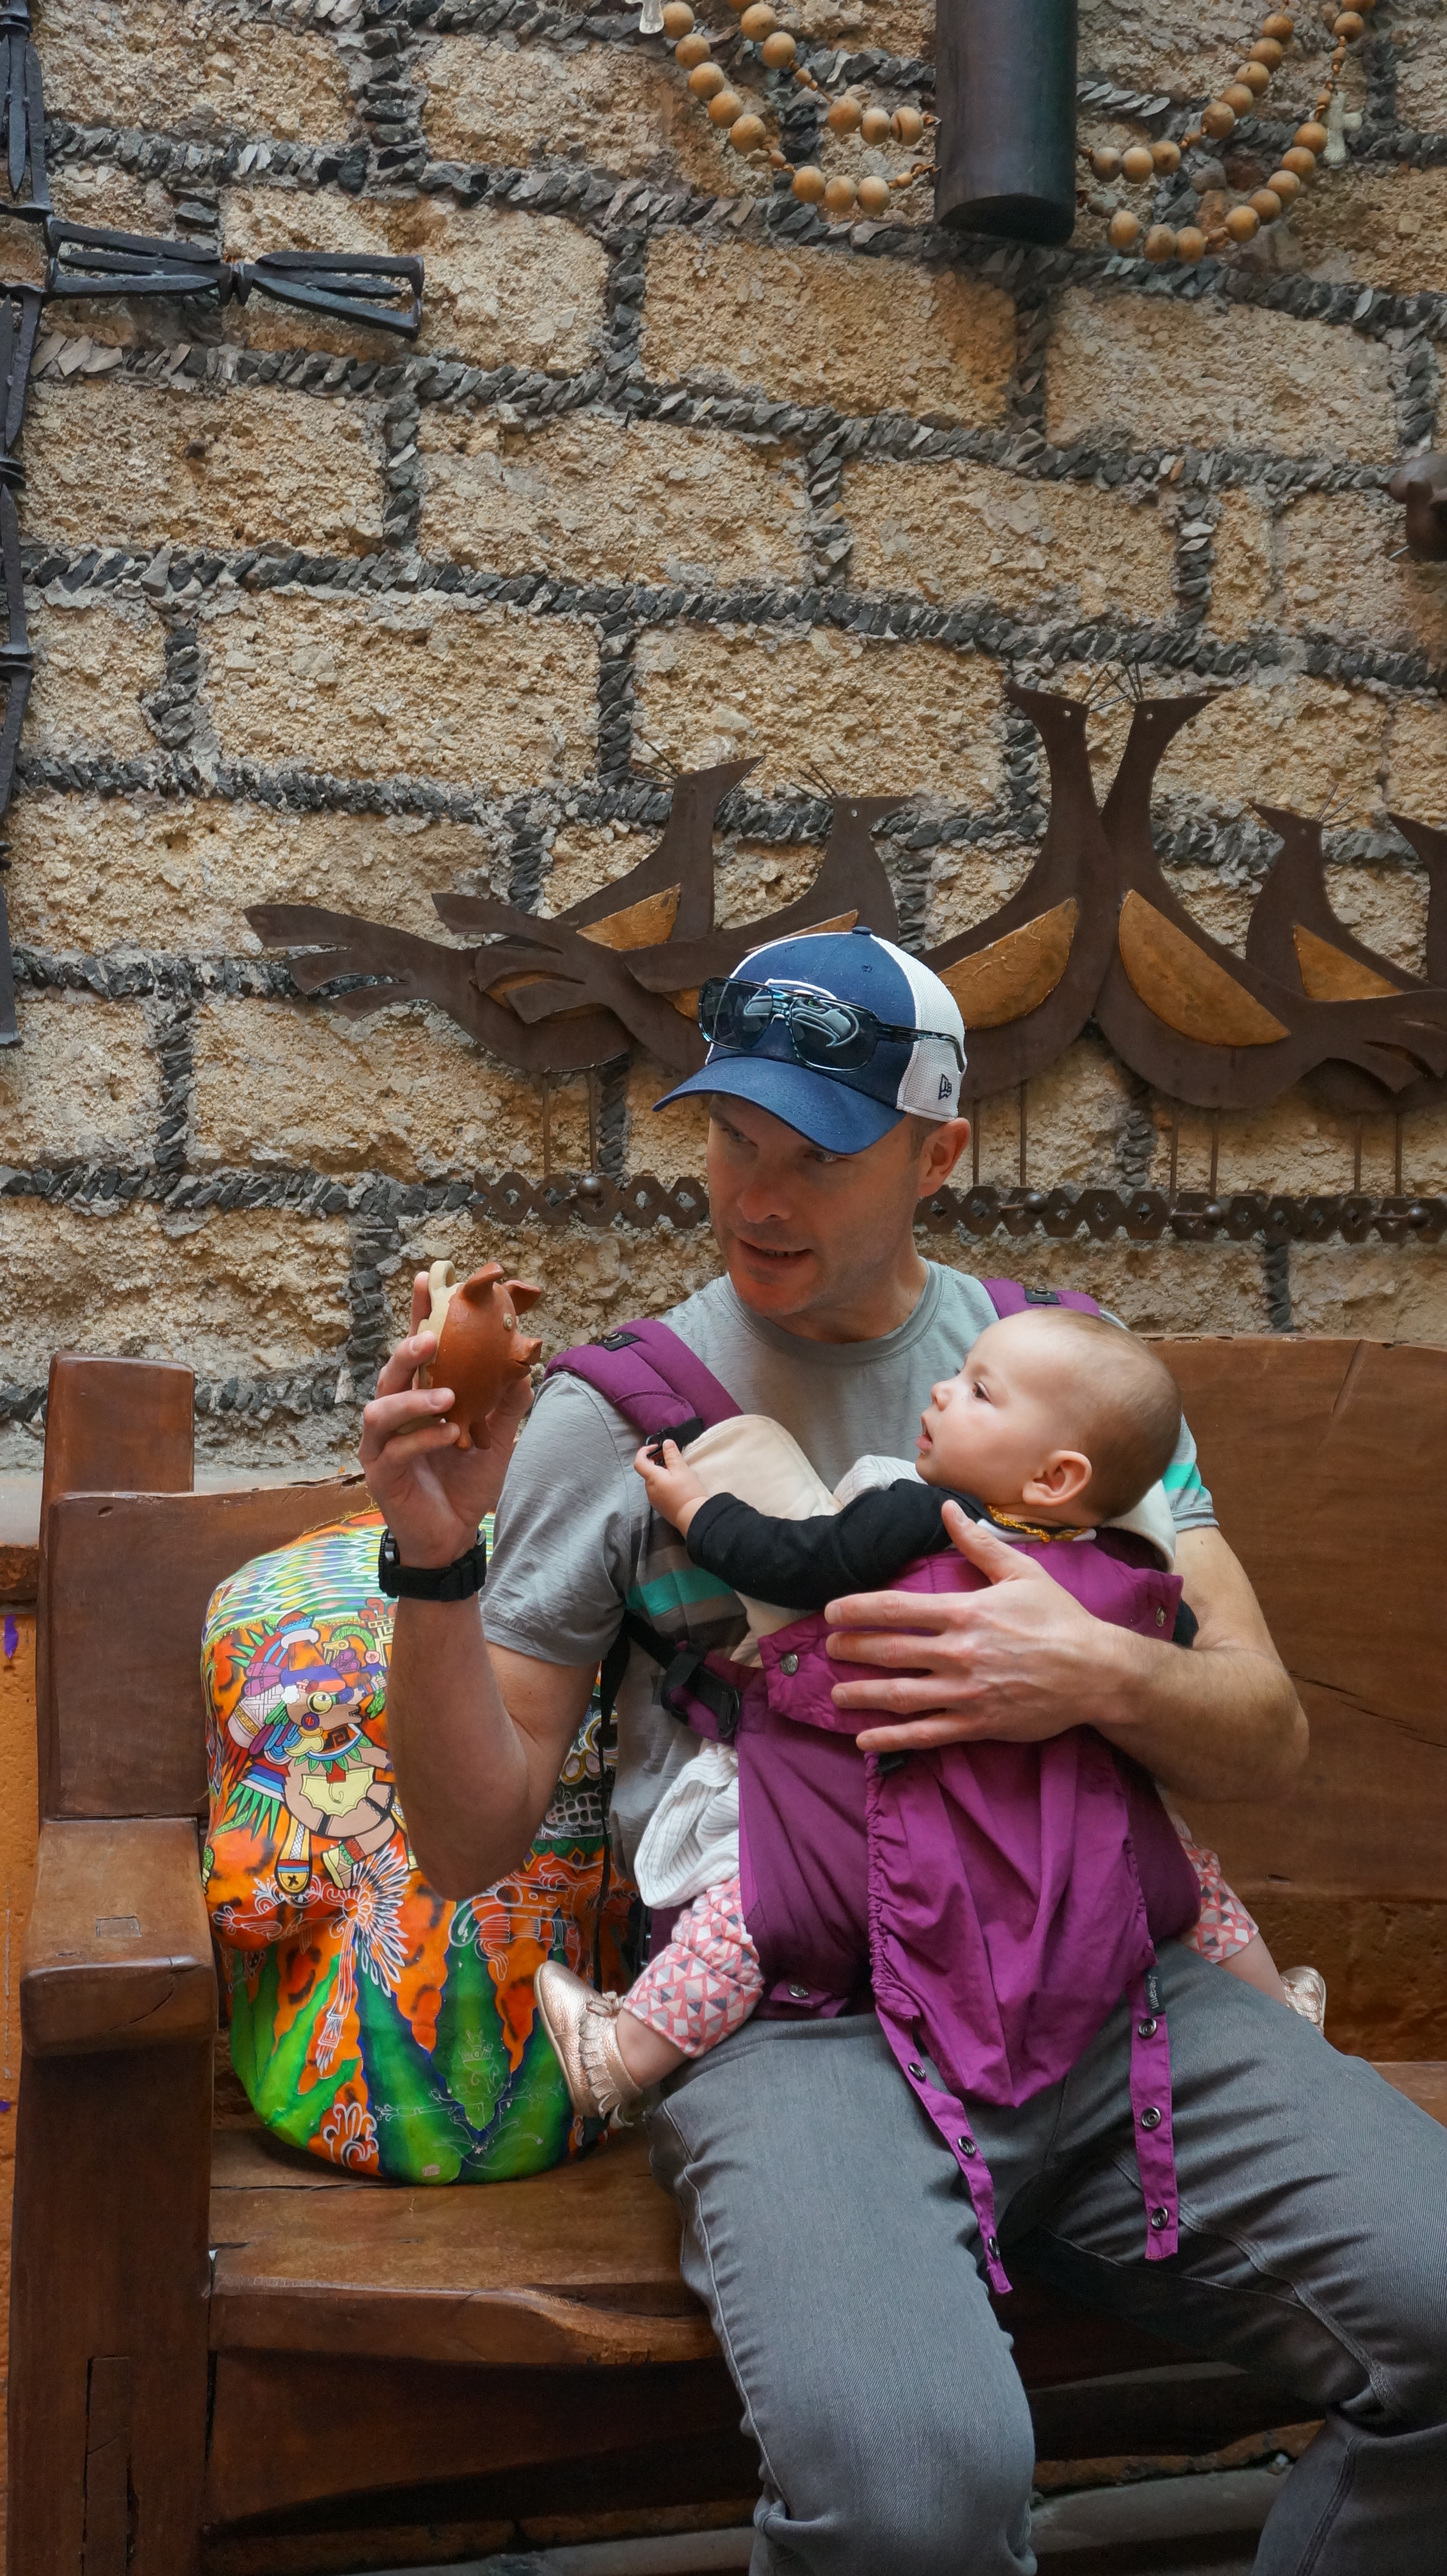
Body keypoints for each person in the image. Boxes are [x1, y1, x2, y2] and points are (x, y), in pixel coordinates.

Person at [362, 928, 1447, 2575]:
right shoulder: (620, 1411)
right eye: (735, 1137)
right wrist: (437, 1560)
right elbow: (464, 1839)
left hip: (1111, 1988)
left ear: (940, 1155)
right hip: (808, 2021)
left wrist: (1091, 1669)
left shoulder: (1069, 1375)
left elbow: (1265, 1731)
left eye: (820, 1153)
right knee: (915, 2498)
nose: (758, 1195)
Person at [532, 1301, 1312, 2125]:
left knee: (757, 1907)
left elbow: (790, 1562)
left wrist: (696, 1509)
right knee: (1184, 1877)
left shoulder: (919, 1516)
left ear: (1055, 1478)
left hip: (902, 1816)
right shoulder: (1130, 1571)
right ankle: (1280, 2015)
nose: (942, 1391)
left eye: (980, 1392)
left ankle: (620, 2059)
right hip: (1059, 1832)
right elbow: (1177, 1641)